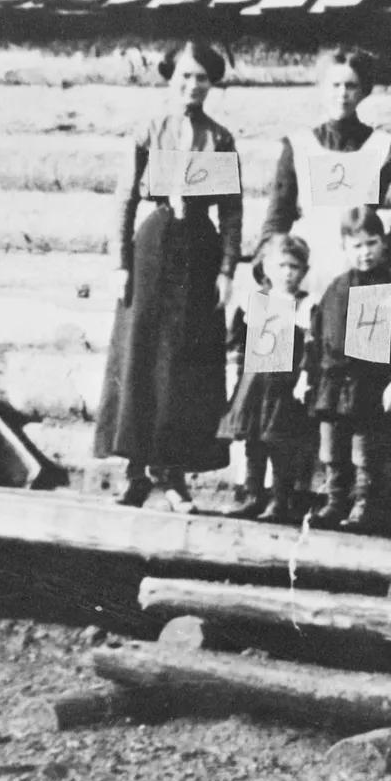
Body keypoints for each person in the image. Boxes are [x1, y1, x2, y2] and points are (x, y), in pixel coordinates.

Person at [92, 41, 242, 511]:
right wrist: (119, 264)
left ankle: (174, 476)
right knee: (140, 352)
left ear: (211, 83)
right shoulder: (148, 131)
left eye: (201, 78)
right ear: (170, 79)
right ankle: (136, 474)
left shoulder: (219, 138)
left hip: (199, 248)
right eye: (183, 77)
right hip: (153, 246)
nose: (192, 86)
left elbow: (232, 213)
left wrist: (226, 270)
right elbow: (123, 200)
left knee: (184, 360)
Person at [262, 47, 391, 292]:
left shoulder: (384, 147)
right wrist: (269, 271)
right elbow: (277, 218)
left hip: (365, 270)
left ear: (363, 91)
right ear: (322, 89)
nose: (342, 94)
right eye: (334, 85)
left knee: (366, 329)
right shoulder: (298, 146)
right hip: (309, 272)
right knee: (313, 328)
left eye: (351, 86)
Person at [305, 208, 391, 533]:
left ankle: (363, 503)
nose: (365, 252)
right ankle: (335, 500)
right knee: (332, 443)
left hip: (370, 383)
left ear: (383, 243)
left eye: (371, 243)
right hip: (333, 382)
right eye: (356, 245)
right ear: (344, 247)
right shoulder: (336, 288)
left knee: (364, 446)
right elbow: (318, 335)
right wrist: (309, 374)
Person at [219, 234, 316, 524]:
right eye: (281, 265)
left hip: (285, 386)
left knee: (279, 443)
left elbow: (312, 345)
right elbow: (238, 339)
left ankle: (279, 499)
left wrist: (305, 377)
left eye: (295, 267)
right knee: (253, 442)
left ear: (303, 271)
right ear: (267, 268)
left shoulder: (305, 305)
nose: (287, 273)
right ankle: (252, 496)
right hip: (256, 382)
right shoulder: (257, 301)